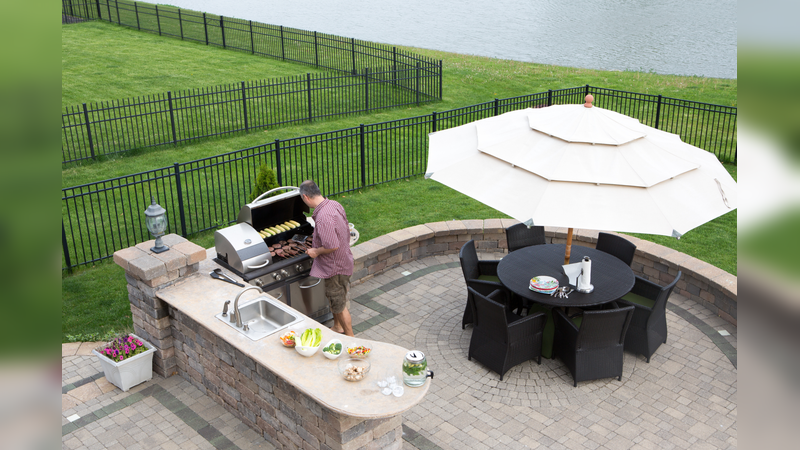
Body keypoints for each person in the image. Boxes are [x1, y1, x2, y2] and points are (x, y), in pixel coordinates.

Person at [299, 180, 355, 336]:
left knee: (339, 303)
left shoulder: (323, 217)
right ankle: (338, 327)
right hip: (344, 260)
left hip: (335, 267)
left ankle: (351, 338)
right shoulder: (334, 204)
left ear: (305, 197)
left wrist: (315, 252)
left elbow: (332, 245)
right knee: (335, 297)